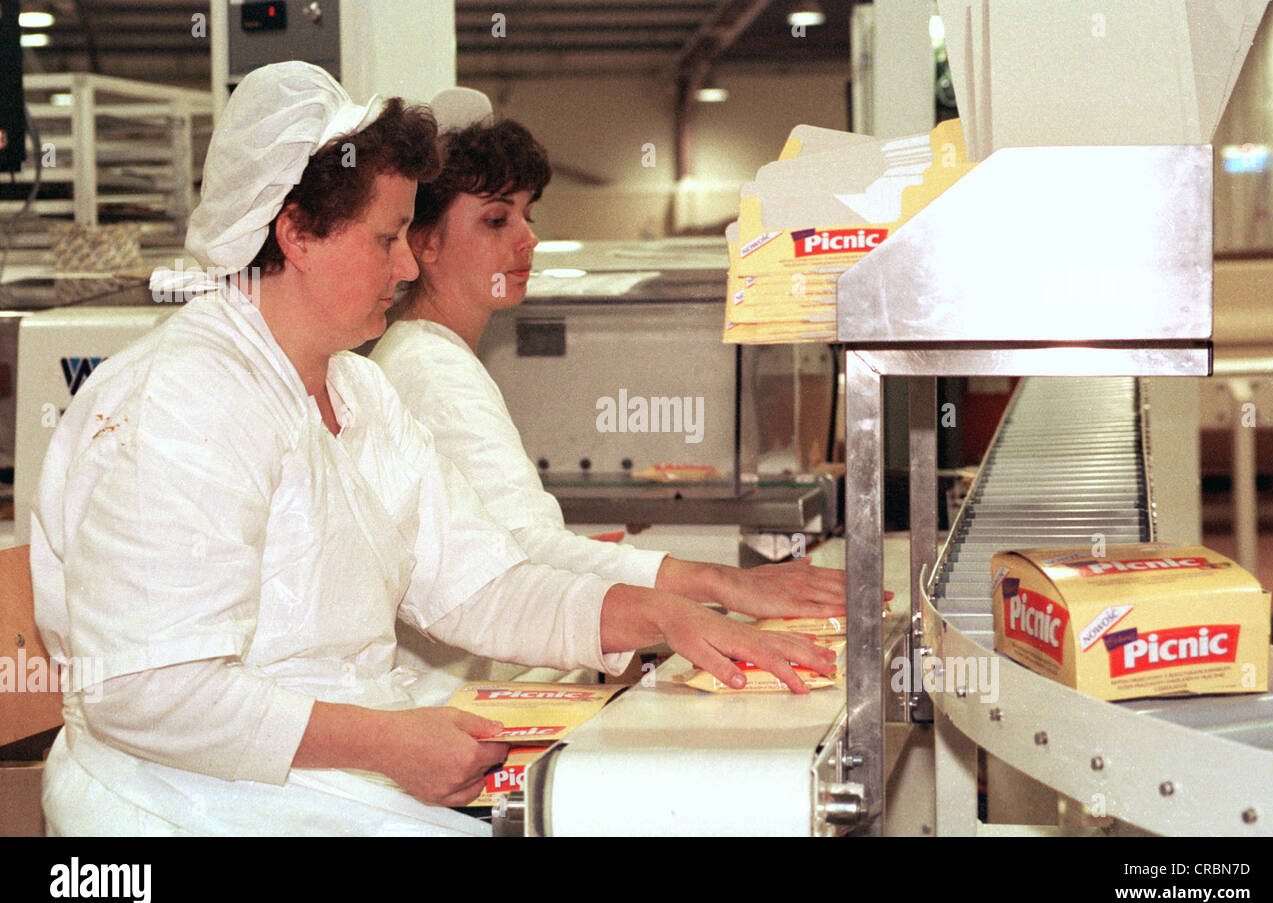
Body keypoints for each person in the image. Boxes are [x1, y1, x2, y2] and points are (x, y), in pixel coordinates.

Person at [29, 63, 835, 837]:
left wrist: (662, 614)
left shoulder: (358, 392)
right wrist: (386, 744)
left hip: (328, 780)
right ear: (298, 233)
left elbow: (480, 583)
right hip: (190, 802)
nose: (409, 263)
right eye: (387, 240)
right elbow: (148, 692)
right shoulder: (185, 400)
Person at [370, 104, 848, 687]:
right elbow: (527, 552)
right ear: (425, 244)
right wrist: (726, 584)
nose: (528, 239)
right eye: (497, 221)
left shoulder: (429, 355)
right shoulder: (430, 368)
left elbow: (511, 540)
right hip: (447, 696)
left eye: (527, 213)